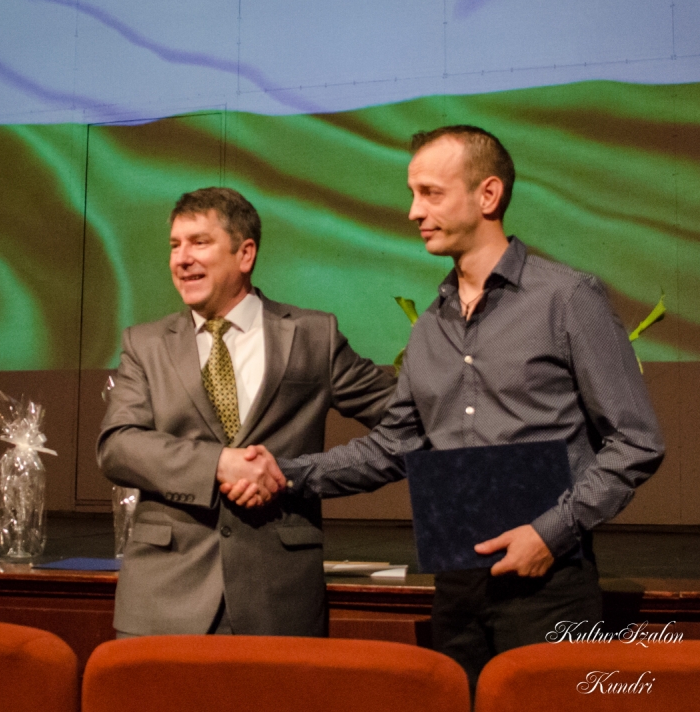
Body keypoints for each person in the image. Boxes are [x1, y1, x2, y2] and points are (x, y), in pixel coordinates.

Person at [228, 126, 664, 688]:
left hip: (550, 584)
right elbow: (393, 447)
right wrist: (283, 473)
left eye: (431, 193)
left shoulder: (567, 298)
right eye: (413, 194)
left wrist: (551, 532)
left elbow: (636, 441)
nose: (414, 211)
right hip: (457, 586)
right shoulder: (432, 325)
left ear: (488, 195)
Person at [97, 187, 396, 637]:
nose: (182, 259)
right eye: (175, 246)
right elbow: (117, 446)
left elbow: (403, 423)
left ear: (245, 253)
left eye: (199, 242)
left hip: (278, 598)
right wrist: (218, 464)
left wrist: (301, 474)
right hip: (164, 599)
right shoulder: (146, 343)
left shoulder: (313, 336)